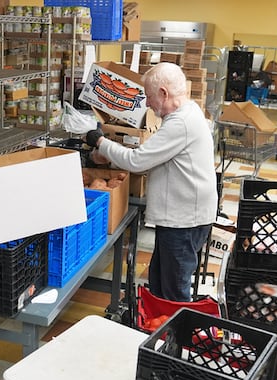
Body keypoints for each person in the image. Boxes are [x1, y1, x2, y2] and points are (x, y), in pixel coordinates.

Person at [85, 62, 217, 302]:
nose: (146, 103)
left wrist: (101, 142)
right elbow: (155, 157)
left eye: (148, 96)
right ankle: (160, 330)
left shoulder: (181, 123)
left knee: (174, 291)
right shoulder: (187, 113)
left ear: (164, 93)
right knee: (160, 281)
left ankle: (175, 335)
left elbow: (137, 162)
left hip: (184, 221)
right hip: (184, 217)